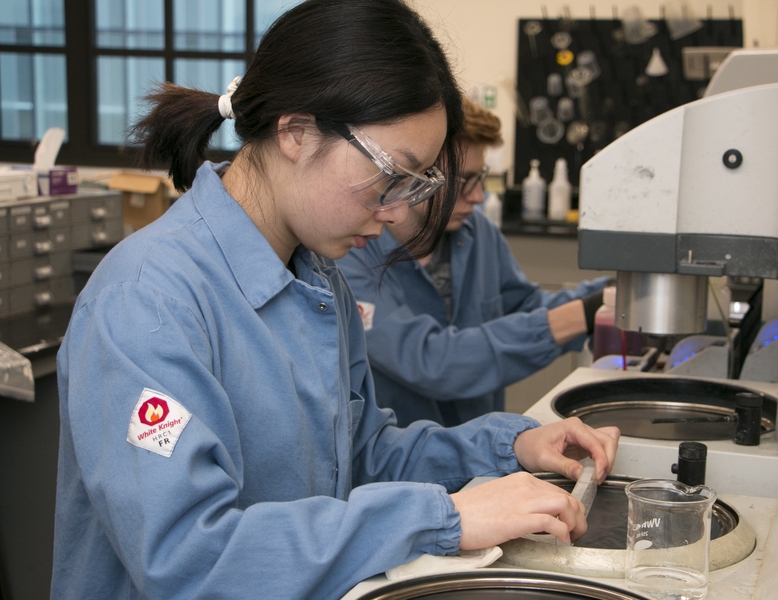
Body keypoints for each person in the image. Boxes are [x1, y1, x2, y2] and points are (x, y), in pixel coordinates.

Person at [51, 1, 620, 599]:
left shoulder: (319, 280)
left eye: (415, 185)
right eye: (390, 175)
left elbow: (361, 455)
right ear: (295, 132)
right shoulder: (147, 303)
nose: (397, 211)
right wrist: (443, 516)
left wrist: (508, 447)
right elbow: (188, 559)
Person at [336, 98, 611, 427]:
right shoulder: (350, 254)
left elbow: (526, 308)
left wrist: (610, 294)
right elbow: (432, 363)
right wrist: (582, 314)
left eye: (480, 178)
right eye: (463, 181)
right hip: (400, 451)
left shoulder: (477, 232)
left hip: (479, 443)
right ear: (414, 172)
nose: (478, 196)